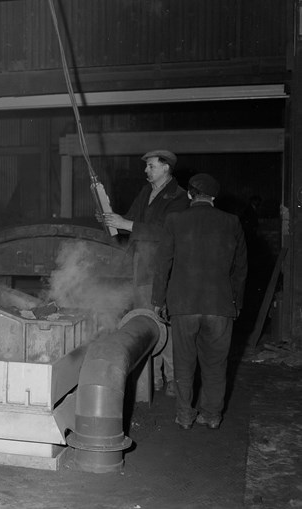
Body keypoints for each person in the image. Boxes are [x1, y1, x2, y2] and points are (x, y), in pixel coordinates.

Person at [151, 173, 248, 430]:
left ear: (190, 195)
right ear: (214, 197)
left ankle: (184, 416)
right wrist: (236, 303)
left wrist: (158, 300)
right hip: (220, 307)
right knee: (216, 364)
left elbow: (163, 264)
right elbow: (241, 268)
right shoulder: (232, 222)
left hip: (183, 306)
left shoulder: (175, 220)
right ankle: (212, 416)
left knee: (184, 362)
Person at [101, 149, 189, 396]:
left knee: (163, 321)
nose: (145, 170)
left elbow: (166, 232)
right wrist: (111, 217)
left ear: (165, 168)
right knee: (145, 321)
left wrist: (126, 224)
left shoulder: (179, 197)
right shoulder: (146, 192)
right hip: (142, 266)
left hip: (163, 268)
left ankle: (173, 378)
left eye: (150, 166)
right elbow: (130, 221)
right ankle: (154, 377)